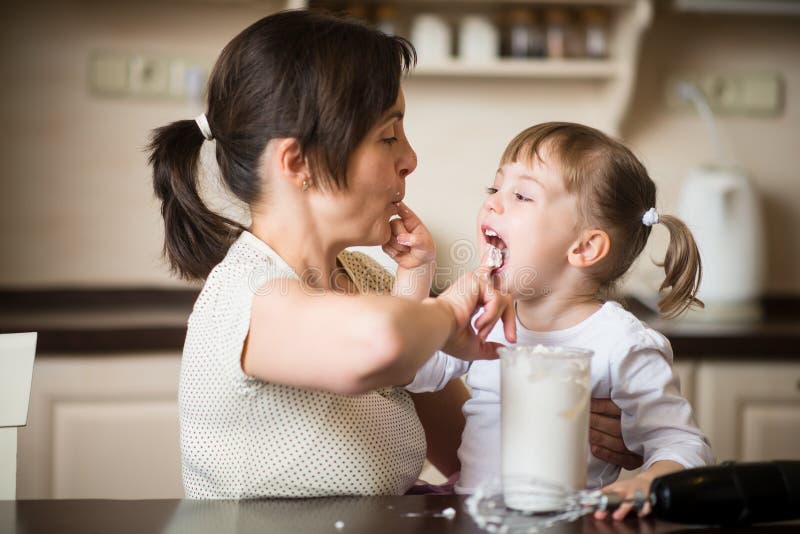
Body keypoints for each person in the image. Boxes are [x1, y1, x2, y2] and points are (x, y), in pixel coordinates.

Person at [148, 10, 636, 499]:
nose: (410, 158)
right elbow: (383, 341)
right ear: (298, 163)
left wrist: (576, 429)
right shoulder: (246, 297)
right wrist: (449, 308)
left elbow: (470, 449)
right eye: (388, 136)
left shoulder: (369, 280)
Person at [405, 122, 714, 519]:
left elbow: (682, 444)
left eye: (521, 195)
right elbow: (413, 372)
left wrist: (646, 483)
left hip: (568, 521)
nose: (493, 204)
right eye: (494, 189)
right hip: (475, 516)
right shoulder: (486, 317)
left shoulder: (621, 344)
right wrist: (415, 273)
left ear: (584, 247)